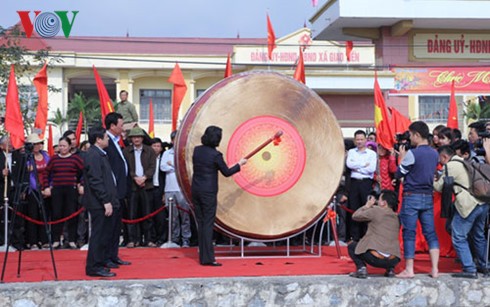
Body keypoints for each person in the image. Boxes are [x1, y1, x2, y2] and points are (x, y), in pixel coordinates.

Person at [192, 126, 247, 266]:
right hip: (208, 192)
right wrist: (239, 164)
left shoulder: (197, 151)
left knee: (201, 223)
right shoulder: (216, 155)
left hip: (196, 189)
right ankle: (208, 258)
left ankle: (203, 256)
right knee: (208, 224)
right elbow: (227, 172)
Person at [434, 145, 490, 279]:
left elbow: (439, 187)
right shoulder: (466, 162)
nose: (440, 163)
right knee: (478, 236)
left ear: (444, 156)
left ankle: (469, 268)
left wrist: (432, 181)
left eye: (440, 159)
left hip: (468, 204)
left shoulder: (450, 166)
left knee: (458, 236)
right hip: (482, 202)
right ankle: (484, 265)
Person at [394, 121, 440, 278]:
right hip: (428, 196)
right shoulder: (435, 154)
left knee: (409, 233)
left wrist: (401, 158)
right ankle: (434, 269)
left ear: (417, 135)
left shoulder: (413, 154)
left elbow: (399, 173)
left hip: (411, 196)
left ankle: (409, 269)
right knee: (430, 233)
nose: (410, 138)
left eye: (411, 134)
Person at [83, 126, 118, 278]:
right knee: (98, 234)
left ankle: (101, 261)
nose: (108, 139)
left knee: (105, 233)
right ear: (98, 139)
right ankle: (93, 266)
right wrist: (105, 200)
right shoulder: (93, 155)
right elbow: (96, 180)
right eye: (106, 137)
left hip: (106, 200)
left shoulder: (100, 154)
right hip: (98, 203)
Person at [348, 190, 401, 278]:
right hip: (394, 259)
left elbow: (355, 216)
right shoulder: (397, 216)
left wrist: (367, 206)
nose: (377, 202)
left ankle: (361, 268)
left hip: (375, 258)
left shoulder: (376, 210)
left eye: (379, 200)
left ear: (384, 203)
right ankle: (390, 269)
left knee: (351, 246)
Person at [43, 137, 84, 249]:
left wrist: (82, 184)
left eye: (64, 146)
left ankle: (71, 239)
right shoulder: (54, 159)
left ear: (70, 147)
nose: (62, 148)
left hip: (71, 189)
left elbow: (84, 172)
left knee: (72, 214)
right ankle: (56, 240)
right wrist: (46, 186)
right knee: (56, 214)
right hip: (57, 189)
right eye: (60, 146)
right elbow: (46, 173)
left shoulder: (76, 159)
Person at [104, 112, 131, 267]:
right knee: (109, 227)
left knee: (116, 227)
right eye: (121, 125)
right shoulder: (106, 142)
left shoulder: (117, 141)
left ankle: (114, 255)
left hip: (120, 191)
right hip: (111, 192)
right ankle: (106, 257)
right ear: (112, 126)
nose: (123, 127)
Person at [123, 127, 156, 247]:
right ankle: (132, 239)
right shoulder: (126, 151)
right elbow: (126, 167)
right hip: (132, 186)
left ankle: (148, 239)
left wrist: (144, 177)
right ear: (131, 139)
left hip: (146, 185)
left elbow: (152, 167)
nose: (136, 139)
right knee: (132, 214)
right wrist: (135, 177)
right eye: (134, 137)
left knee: (148, 214)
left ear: (142, 138)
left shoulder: (150, 151)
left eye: (139, 137)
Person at [161, 131, 191, 247]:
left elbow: (185, 168)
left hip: (182, 189)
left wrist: (172, 165)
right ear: (172, 141)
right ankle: (174, 239)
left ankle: (186, 239)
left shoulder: (185, 153)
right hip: (169, 188)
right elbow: (163, 167)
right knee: (173, 217)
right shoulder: (167, 153)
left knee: (185, 216)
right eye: (174, 139)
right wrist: (175, 166)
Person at [346, 130, 377, 242]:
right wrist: (363, 165)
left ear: (365, 140)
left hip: (366, 183)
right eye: (357, 139)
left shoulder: (372, 154)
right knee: (354, 209)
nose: (359, 141)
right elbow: (349, 164)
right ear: (355, 140)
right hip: (354, 183)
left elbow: (371, 169)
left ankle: (366, 236)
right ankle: (355, 237)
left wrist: (357, 167)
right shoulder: (351, 152)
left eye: (361, 139)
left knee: (366, 208)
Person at [25, 134, 50, 250]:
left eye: (39, 143)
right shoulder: (27, 158)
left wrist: (48, 187)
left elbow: (50, 172)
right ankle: (33, 241)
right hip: (33, 190)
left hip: (46, 189)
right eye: (35, 144)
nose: (37, 146)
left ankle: (44, 240)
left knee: (45, 216)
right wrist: (38, 189)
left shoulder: (46, 155)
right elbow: (29, 176)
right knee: (33, 215)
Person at [150, 137, 167, 245]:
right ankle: (151, 238)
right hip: (149, 188)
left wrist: (164, 192)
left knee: (160, 216)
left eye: (158, 146)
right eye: (154, 146)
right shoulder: (147, 158)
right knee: (149, 215)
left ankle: (162, 238)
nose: (156, 148)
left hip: (160, 189)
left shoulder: (163, 159)